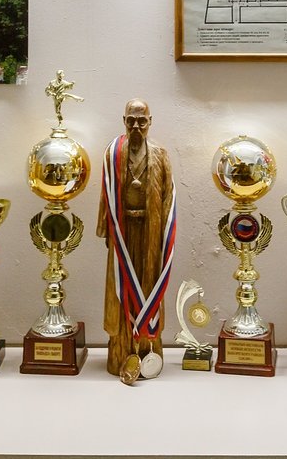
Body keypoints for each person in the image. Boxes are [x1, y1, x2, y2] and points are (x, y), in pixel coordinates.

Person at [96, 99, 176, 378]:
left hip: (151, 231)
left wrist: (165, 233)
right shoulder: (112, 153)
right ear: (124, 121)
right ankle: (121, 347)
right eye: (131, 120)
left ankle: (148, 346)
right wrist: (105, 228)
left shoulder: (160, 154)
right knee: (120, 289)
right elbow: (105, 193)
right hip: (122, 231)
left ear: (150, 122)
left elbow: (167, 195)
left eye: (142, 121)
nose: (136, 126)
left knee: (148, 280)